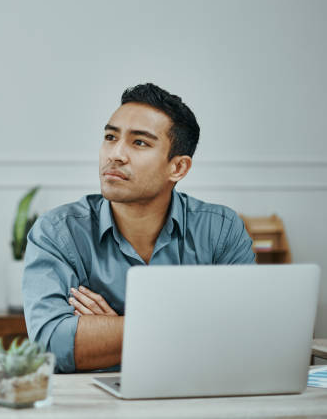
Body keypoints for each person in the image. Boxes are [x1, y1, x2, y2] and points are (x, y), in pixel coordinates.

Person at [22, 83, 255, 373]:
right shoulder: (58, 232)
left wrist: (116, 326)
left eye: (139, 143)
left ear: (178, 168)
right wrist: (190, 326)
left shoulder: (221, 230)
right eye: (110, 137)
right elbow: (51, 346)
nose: (115, 154)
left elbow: (243, 340)